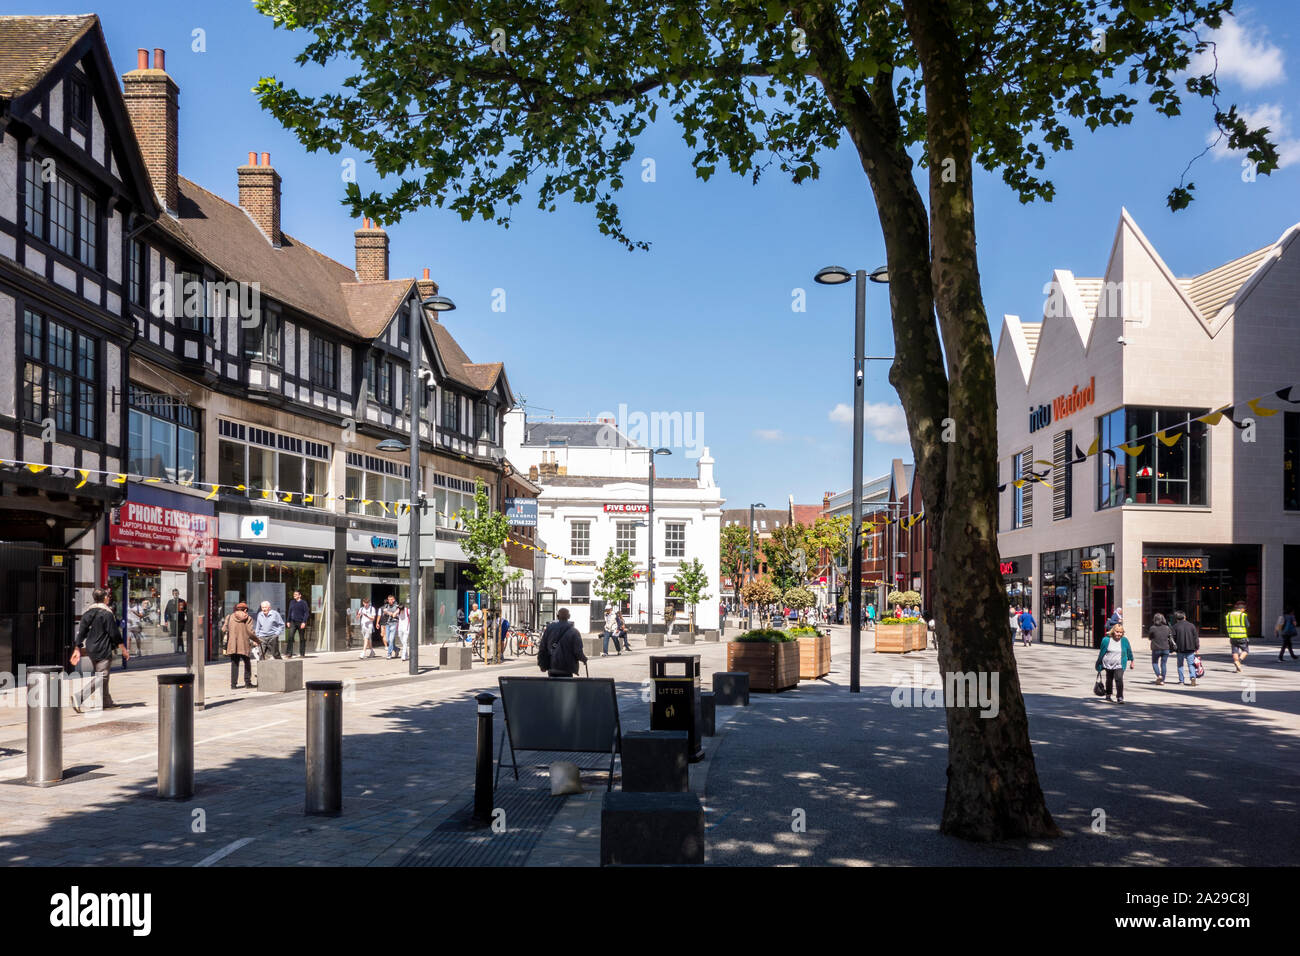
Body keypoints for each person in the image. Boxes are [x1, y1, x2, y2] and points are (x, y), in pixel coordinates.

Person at [71, 588, 126, 712]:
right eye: (107, 596)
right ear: (105, 598)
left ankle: (106, 702)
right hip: (103, 647)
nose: (108, 598)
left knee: (101, 674)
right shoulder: (107, 613)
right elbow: (114, 633)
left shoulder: (87, 613)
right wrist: (123, 649)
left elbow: (81, 632)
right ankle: (79, 697)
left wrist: (77, 647)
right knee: (102, 675)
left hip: (90, 648)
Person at [540, 608, 585, 677]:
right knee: (566, 686)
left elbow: (542, 647)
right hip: (567, 667)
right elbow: (578, 651)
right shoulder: (574, 632)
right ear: (569, 616)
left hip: (552, 665)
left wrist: (542, 664)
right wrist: (583, 659)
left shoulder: (549, 629)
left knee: (553, 686)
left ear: (557, 616)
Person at [221, 601, 257, 689]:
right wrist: (257, 640)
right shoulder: (248, 618)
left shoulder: (229, 617)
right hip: (244, 643)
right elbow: (250, 632)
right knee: (247, 663)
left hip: (232, 644)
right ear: (245, 610)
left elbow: (223, 629)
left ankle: (233, 685)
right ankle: (247, 683)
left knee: (234, 664)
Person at [1095, 622, 1134, 703]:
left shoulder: (1124, 640)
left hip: (1119, 664)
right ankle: (1108, 695)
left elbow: (1129, 650)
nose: (1118, 634)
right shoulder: (1106, 640)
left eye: (1120, 632)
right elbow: (1102, 652)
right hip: (1108, 664)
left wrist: (1132, 661)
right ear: (1113, 631)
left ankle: (1120, 697)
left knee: (1119, 679)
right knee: (1109, 679)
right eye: (1117, 632)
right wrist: (1099, 663)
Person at [1172, 610, 1200, 686]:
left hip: (1180, 648)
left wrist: (1172, 648)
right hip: (1190, 648)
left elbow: (1173, 639)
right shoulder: (1191, 625)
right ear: (1185, 617)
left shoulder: (1175, 626)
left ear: (1176, 618)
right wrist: (1197, 647)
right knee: (1191, 664)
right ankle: (1193, 677)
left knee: (1180, 665)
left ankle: (1181, 680)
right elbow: (1195, 638)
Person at [1146, 612, 1174, 685]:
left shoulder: (1152, 628)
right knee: (1163, 664)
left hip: (1156, 648)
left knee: (1155, 663)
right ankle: (1163, 680)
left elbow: (1150, 637)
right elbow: (1170, 637)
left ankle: (1159, 676)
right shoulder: (1167, 628)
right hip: (1166, 648)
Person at [286, 589, 311, 658]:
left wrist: (304, 622)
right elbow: (289, 612)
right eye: (294, 594)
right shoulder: (292, 602)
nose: (294, 596)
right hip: (293, 622)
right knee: (290, 637)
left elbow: (306, 613)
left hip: (301, 623)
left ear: (300, 595)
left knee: (302, 638)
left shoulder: (303, 603)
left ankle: (302, 653)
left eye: (296, 594)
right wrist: (288, 621)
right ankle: (289, 653)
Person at [1226, 600, 1250, 671]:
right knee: (1246, 650)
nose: (1244, 611)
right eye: (1244, 609)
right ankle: (1238, 661)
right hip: (1241, 636)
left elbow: (1227, 625)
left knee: (1235, 651)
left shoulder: (1229, 615)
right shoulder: (1243, 615)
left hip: (1232, 636)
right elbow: (1247, 625)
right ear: (1241, 609)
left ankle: (1237, 667)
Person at [164, 588, 182, 652]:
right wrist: (166, 621)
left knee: (179, 635)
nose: (176, 595)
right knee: (174, 634)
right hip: (172, 621)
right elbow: (166, 612)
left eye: (177, 593)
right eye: (174, 593)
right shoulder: (170, 602)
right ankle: (175, 649)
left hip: (180, 621)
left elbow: (185, 611)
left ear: (178, 593)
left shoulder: (182, 601)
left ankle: (180, 648)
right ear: (172, 594)